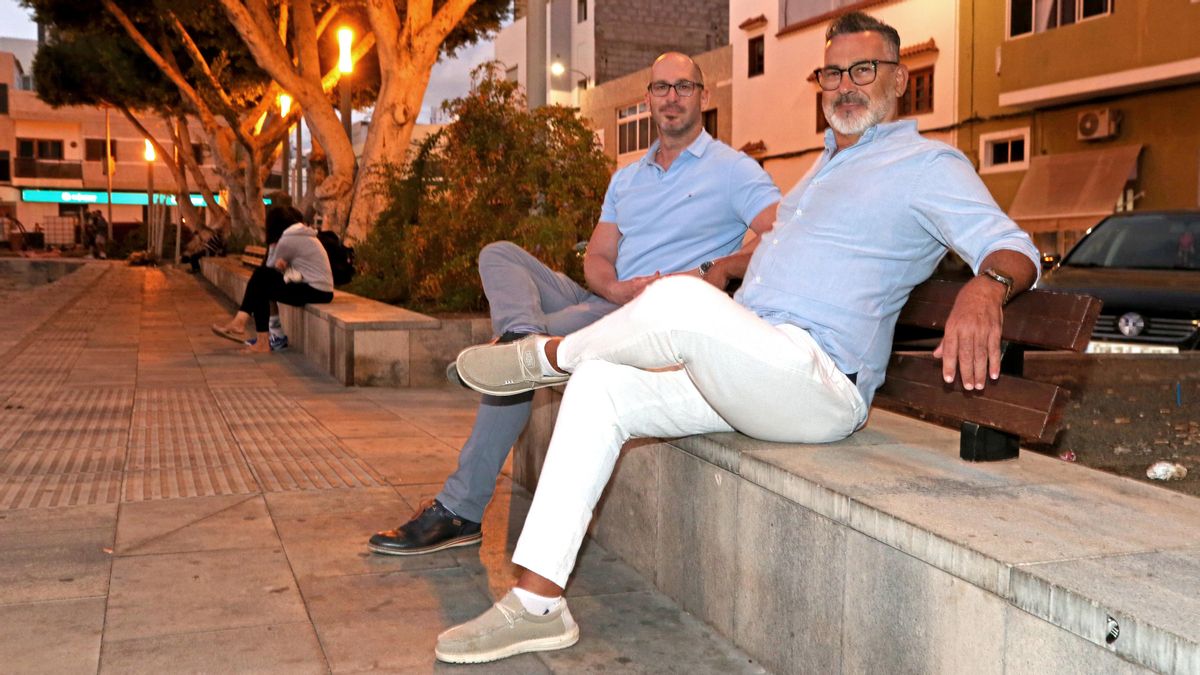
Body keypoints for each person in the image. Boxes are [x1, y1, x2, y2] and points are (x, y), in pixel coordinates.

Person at [435, 12, 1041, 664]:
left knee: (678, 298)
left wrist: (986, 288)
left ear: (897, 79)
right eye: (833, 72)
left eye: (863, 70)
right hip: (755, 364)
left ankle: (540, 357)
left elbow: (1013, 247)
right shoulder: (825, 167)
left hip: (817, 380)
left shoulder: (925, 164)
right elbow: (790, 248)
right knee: (603, 384)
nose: (846, 85)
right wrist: (730, 267)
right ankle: (538, 604)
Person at [366, 52, 781, 557]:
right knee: (500, 254)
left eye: (684, 87)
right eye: (662, 88)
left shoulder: (733, 170)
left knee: (516, 370)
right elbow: (599, 256)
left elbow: (780, 232)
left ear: (704, 96)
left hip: (650, 316)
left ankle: (460, 508)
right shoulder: (628, 177)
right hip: (608, 298)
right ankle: (521, 336)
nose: (672, 98)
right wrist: (613, 288)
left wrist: (715, 269)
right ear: (647, 97)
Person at [211, 205, 333, 353]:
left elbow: (268, 267)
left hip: (315, 290)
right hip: (320, 290)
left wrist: (273, 245)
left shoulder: (288, 238)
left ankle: (251, 330)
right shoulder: (301, 234)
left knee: (261, 279)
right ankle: (271, 336)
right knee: (262, 282)